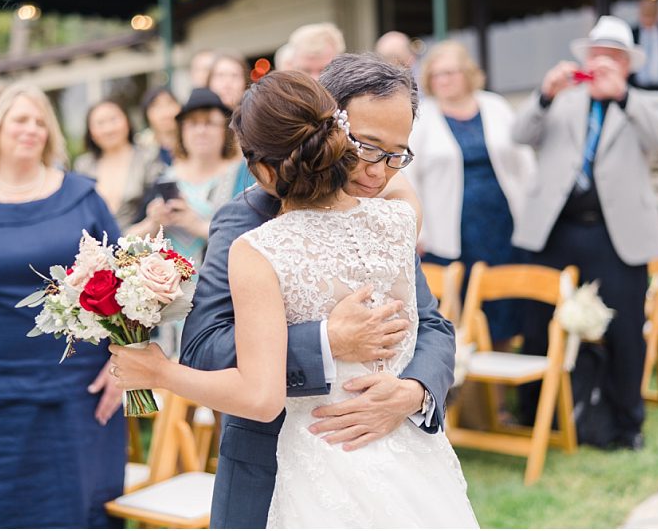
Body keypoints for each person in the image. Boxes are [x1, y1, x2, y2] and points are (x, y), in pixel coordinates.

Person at [110, 69, 476, 528]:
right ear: (332, 126)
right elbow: (205, 347)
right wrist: (325, 341)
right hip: (276, 469)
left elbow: (432, 324)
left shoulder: (389, 215)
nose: (378, 172)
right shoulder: (244, 223)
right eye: (366, 147)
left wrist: (413, 392)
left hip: (397, 456)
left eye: (396, 155)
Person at [0, 84, 126, 528]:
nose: (30, 129)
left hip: (76, 390)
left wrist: (124, 364)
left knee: (79, 507)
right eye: (20, 119)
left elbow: (125, 285)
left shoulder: (83, 197)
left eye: (39, 121)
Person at [512, 15, 658, 451]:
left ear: (626, 64)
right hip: (555, 229)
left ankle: (627, 423)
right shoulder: (561, 99)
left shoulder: (646, 101)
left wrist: (622, 97)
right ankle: (534, 414)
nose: (602, 63)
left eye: (612, 57)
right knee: (537, 323)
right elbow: (518, 133)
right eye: (596, 55)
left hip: (615, 234)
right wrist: (545, 95)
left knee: (625, 330)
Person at [409, 41, 535, 347]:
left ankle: (501, 383)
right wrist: (418, 231)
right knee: (461, 305)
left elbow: (525, 161)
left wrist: (534, 212)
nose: (444, 80)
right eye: (436, 75)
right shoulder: (422, 116)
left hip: (503, 223)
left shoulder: (495, 106)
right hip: (452, 230)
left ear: (467, 73)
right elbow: (408, 176)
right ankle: (471, 385)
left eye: (450, 72)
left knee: (506, 302)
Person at [130, 87, 243, 265]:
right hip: (173, 290)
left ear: (224, 129)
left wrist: (197, 226)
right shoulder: (165, 177)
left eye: (209, 123)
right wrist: (153, 223)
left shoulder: (241, 175)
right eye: (192, 124)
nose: (200, 131)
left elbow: (252, 236)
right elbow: (126, 244)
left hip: (224, 285)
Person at [73, 99, 164, 231]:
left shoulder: (148, 157)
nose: (109, 129)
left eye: (114, 120)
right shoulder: (83, 166)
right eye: (100, 123)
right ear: (91, 132)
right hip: (96, 246)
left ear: (127, 122)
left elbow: (158, 206)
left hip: (142, 242)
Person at [137, 86, 181, 165]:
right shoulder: (140, 149)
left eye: (169, 103)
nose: (165, 112)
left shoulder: (193, 141)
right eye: (156, 106)